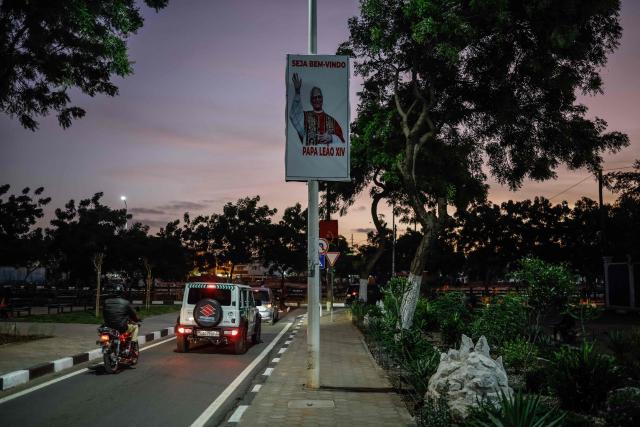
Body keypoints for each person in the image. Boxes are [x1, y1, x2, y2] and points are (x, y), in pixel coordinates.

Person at [289, 72, 345, 145]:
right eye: (314, 97)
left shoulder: (332, 121)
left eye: (319, 97)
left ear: (322, 99)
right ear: (311, 100)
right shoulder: (305, 116)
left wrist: (331, 138)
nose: (317, 99)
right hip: (307, 156)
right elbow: (294, 116)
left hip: (327, 155)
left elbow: (342, 143)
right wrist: (297, 92)